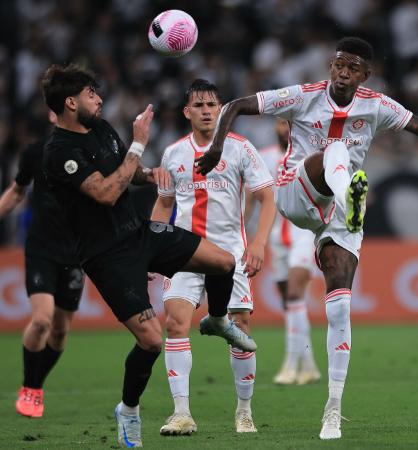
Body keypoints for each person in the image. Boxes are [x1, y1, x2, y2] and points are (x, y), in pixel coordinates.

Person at [194, 36, 418, 440]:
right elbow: (236, 105)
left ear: (366, 74)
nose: (343, 73)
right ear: (330, 66)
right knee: (336, 152)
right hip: (297, 192)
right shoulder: (302, 96)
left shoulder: (377, 105)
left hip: (339, 218)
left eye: (352, 68)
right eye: (338, 65)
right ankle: (351, 194)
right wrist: (217, 147)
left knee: (339, 310)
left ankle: (333, 409)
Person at [42, 64, 256, 448]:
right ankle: (128, 410)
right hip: (106, 256)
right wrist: (139, 143)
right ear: (71, 102)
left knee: (223, 261)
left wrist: (149, 173)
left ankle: (219, 320)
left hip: (140, 233)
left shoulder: (102, 129)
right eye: (92, 94)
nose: (100, 99)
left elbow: (124, 172)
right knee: (152, 341)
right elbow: (106, 192)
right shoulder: (60, 152)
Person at [151, 79, 276, 435]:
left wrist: (258, 243)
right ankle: (181, 413)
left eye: (212, 105)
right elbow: (163, 203)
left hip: (231, 254)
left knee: (240, 327)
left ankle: (244, 411)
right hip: (184, 253)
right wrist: (151, 250)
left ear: (220, 110)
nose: (207, 111)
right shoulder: (173, 154)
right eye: (200, 105)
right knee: (175, 323)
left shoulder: (240, 148)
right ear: (187, 112)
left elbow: (267, 197)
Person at [0, 111, 84, 418]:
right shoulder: (36, 152)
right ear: (53, 114)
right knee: (42, 320)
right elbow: (17, 191)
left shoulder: (91, 150)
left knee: (60, 332)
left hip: (75, 253)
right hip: (41, 249)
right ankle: (30, 388)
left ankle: (36, 384)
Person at [259, 118, 321, 386]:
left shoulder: (310, 156)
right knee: (290, 303)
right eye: (281, 123)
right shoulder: (264, 157)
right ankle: (308, 366)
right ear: (276, 127)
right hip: (276, 236)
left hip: (304, 233)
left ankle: (289, 364)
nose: (285, 129)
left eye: (290, 123)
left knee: (296, 294)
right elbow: (253, 193)